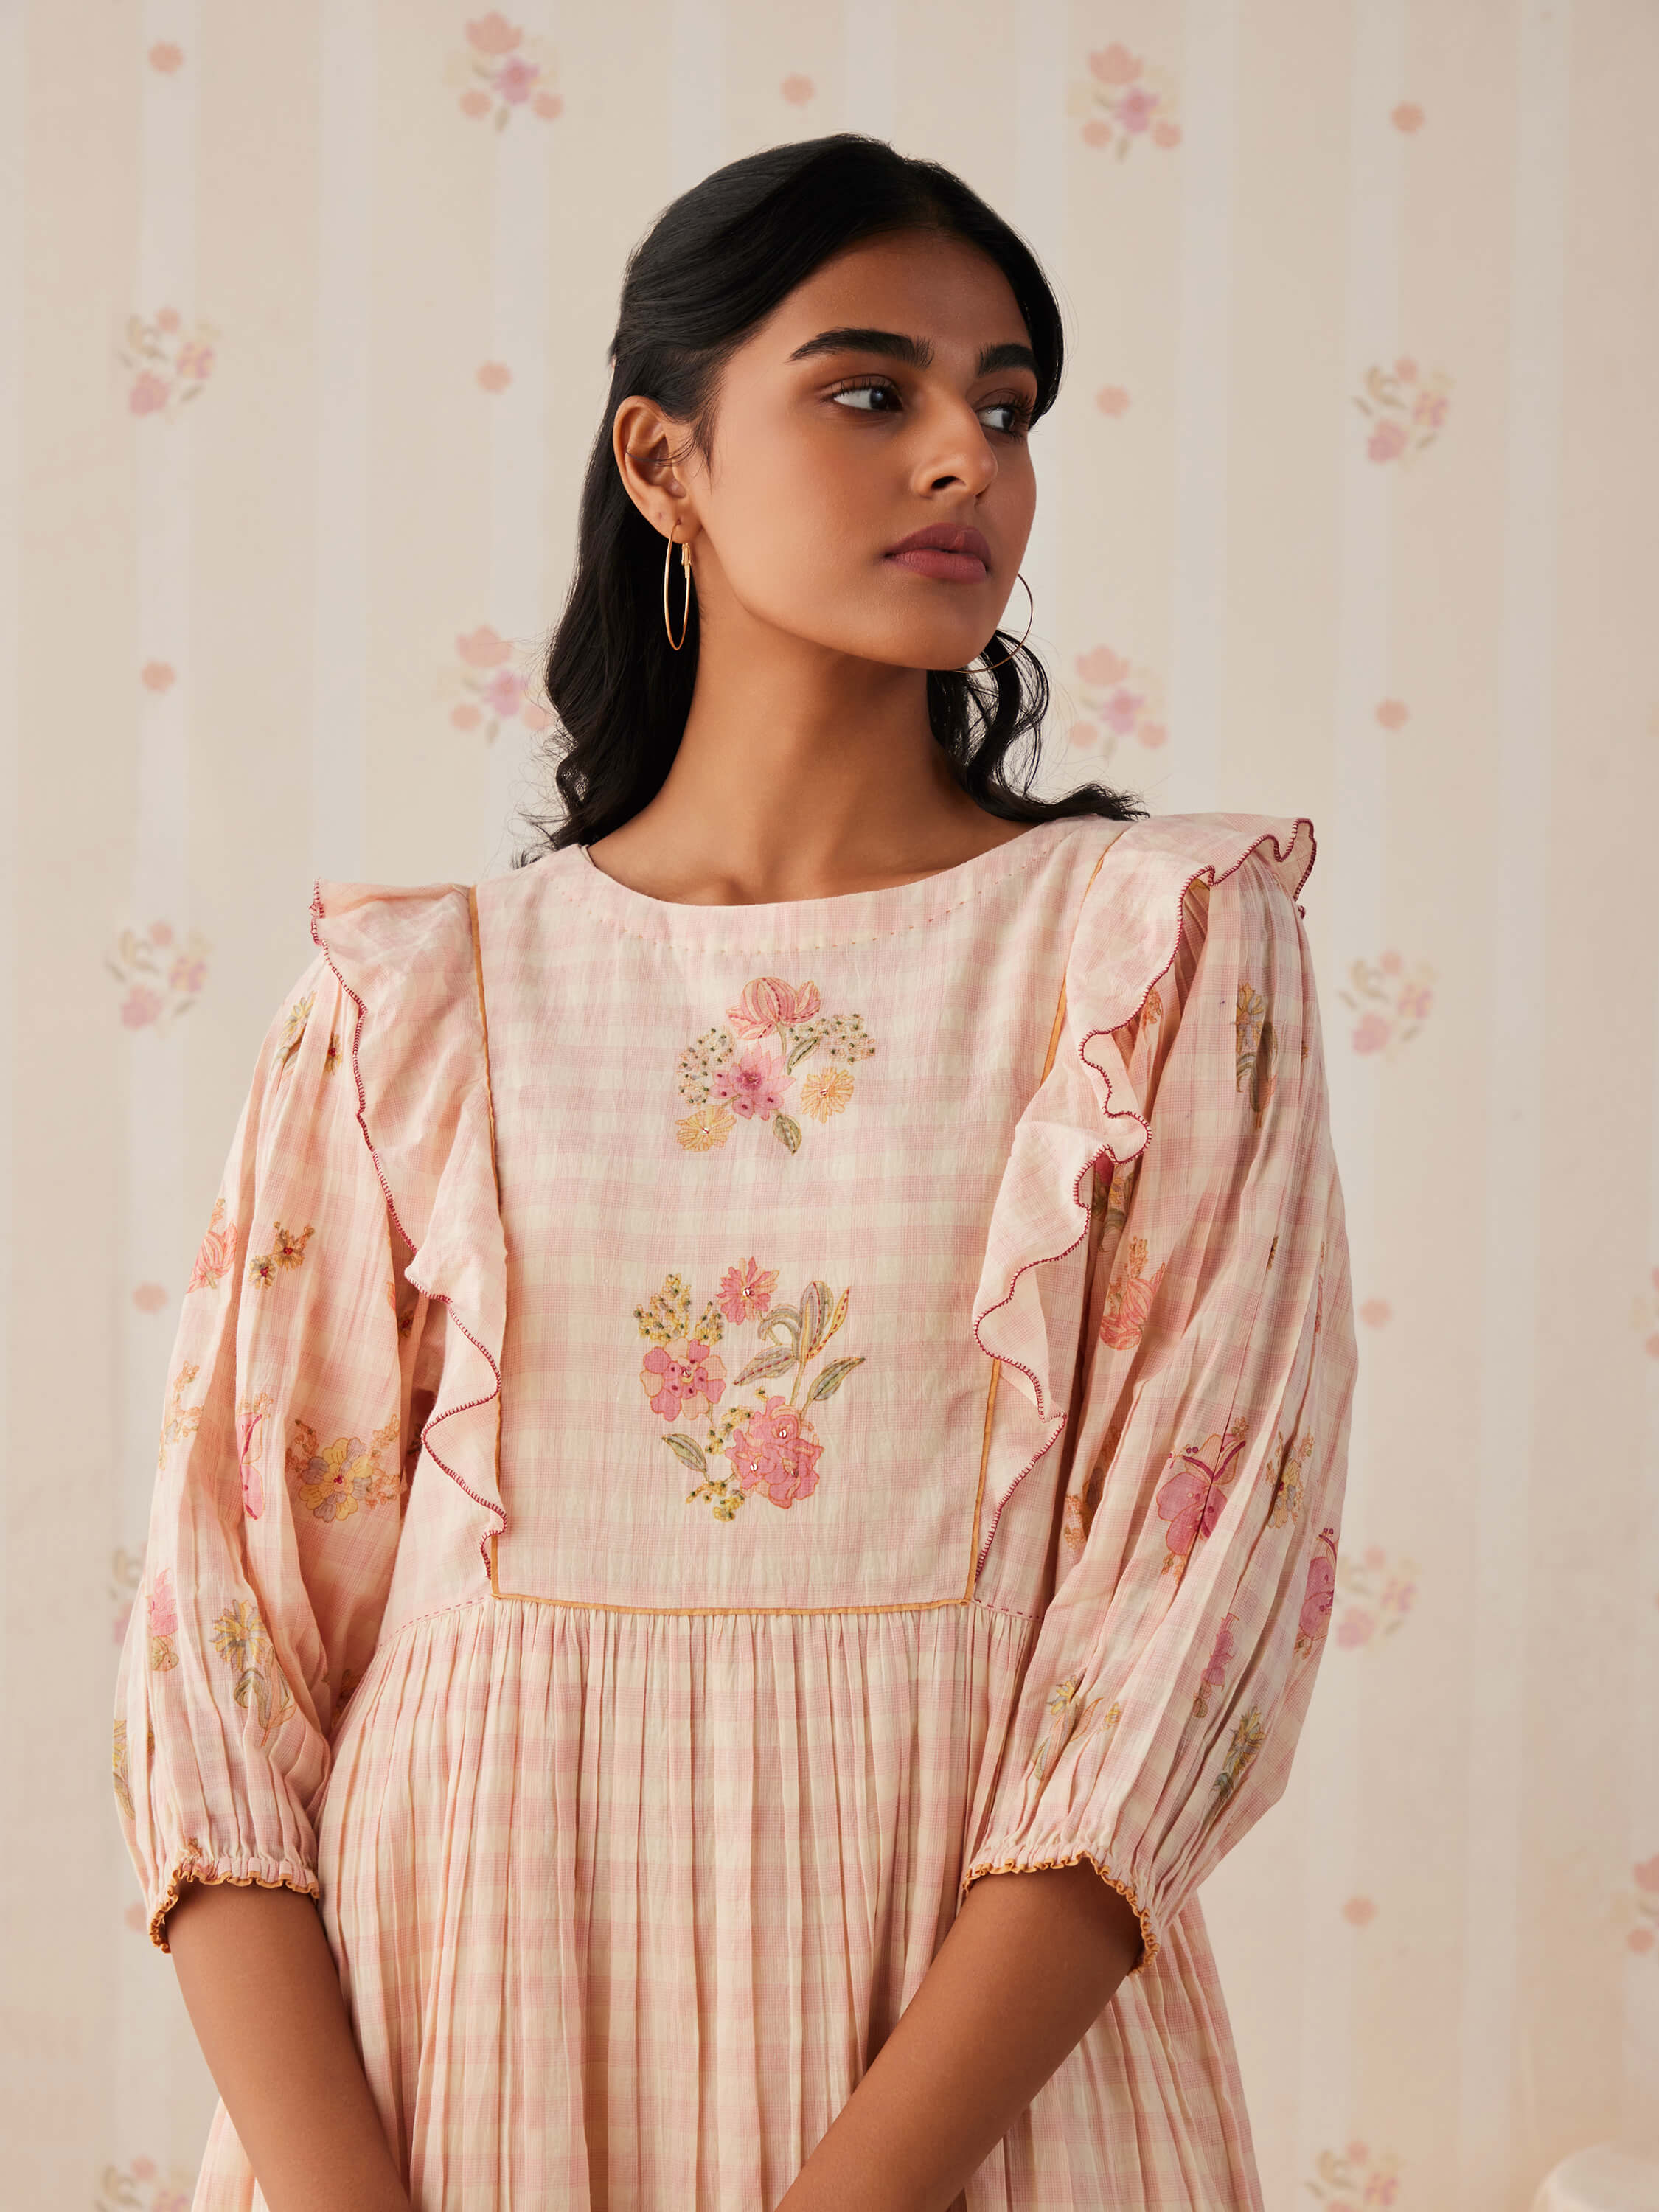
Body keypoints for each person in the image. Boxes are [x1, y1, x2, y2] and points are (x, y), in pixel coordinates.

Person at [113, 133, 1357, 2212]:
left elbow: (1185, 1630)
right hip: (448, 2067)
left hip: (967, 2101)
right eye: (870, 389)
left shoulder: (1157, 950)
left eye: (1007, 402)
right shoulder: (414, 1000)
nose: (964, 454)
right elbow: (222, 1672)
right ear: (662, 460)